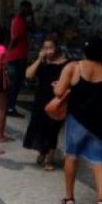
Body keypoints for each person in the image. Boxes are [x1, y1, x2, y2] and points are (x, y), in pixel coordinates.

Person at [52, 36, 102, 204]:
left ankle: (69, 198)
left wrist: (56, 87)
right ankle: (101, 201)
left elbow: (59, 92)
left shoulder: (73, 67)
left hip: (77, 121)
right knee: (99, 162)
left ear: (84, 52)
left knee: (72, 156)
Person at [23, 36, 69, 171]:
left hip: (57, 100)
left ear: (57, 48)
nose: (48, 51)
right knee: (39, 126)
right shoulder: (42, 63)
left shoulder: (66, 64)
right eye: (45, 48)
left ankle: (50, 158)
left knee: (53, 128)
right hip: (41, 99)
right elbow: (28, 75)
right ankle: (42, 151)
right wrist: (39, 59)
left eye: (51, 48)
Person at [6, 0, 33, 118]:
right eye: (28, 9)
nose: (29, 11)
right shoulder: (18, 21)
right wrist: (8, 52)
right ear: (23, 8)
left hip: (18, 56)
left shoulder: (21, 20)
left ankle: (10, 106)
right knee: (16, 84)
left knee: (16, 83)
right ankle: (10, 107)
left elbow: (34, 27)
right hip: (18, 57)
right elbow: (14, 38)